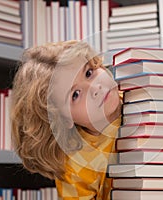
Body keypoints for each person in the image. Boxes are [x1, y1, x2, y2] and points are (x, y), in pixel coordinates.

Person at [10, 40, 122, 199]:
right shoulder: (75, 166)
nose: (95, 88)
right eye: (75, 95)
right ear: (62, 119)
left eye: (89, 73)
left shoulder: (142, 95)